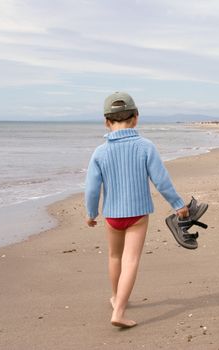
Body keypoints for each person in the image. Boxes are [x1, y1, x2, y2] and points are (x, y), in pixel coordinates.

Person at [85, 91, 188, 328]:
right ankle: (119, 309)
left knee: (114, 256)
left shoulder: (100, 152)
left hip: (112, 215)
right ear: (136, 118)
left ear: (106, 121)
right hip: (137, 215)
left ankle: (116, 296)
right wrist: (178, 205)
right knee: (131, 260)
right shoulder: (145, 147)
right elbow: (161, 181)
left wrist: (91, 214)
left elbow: (92, 188)